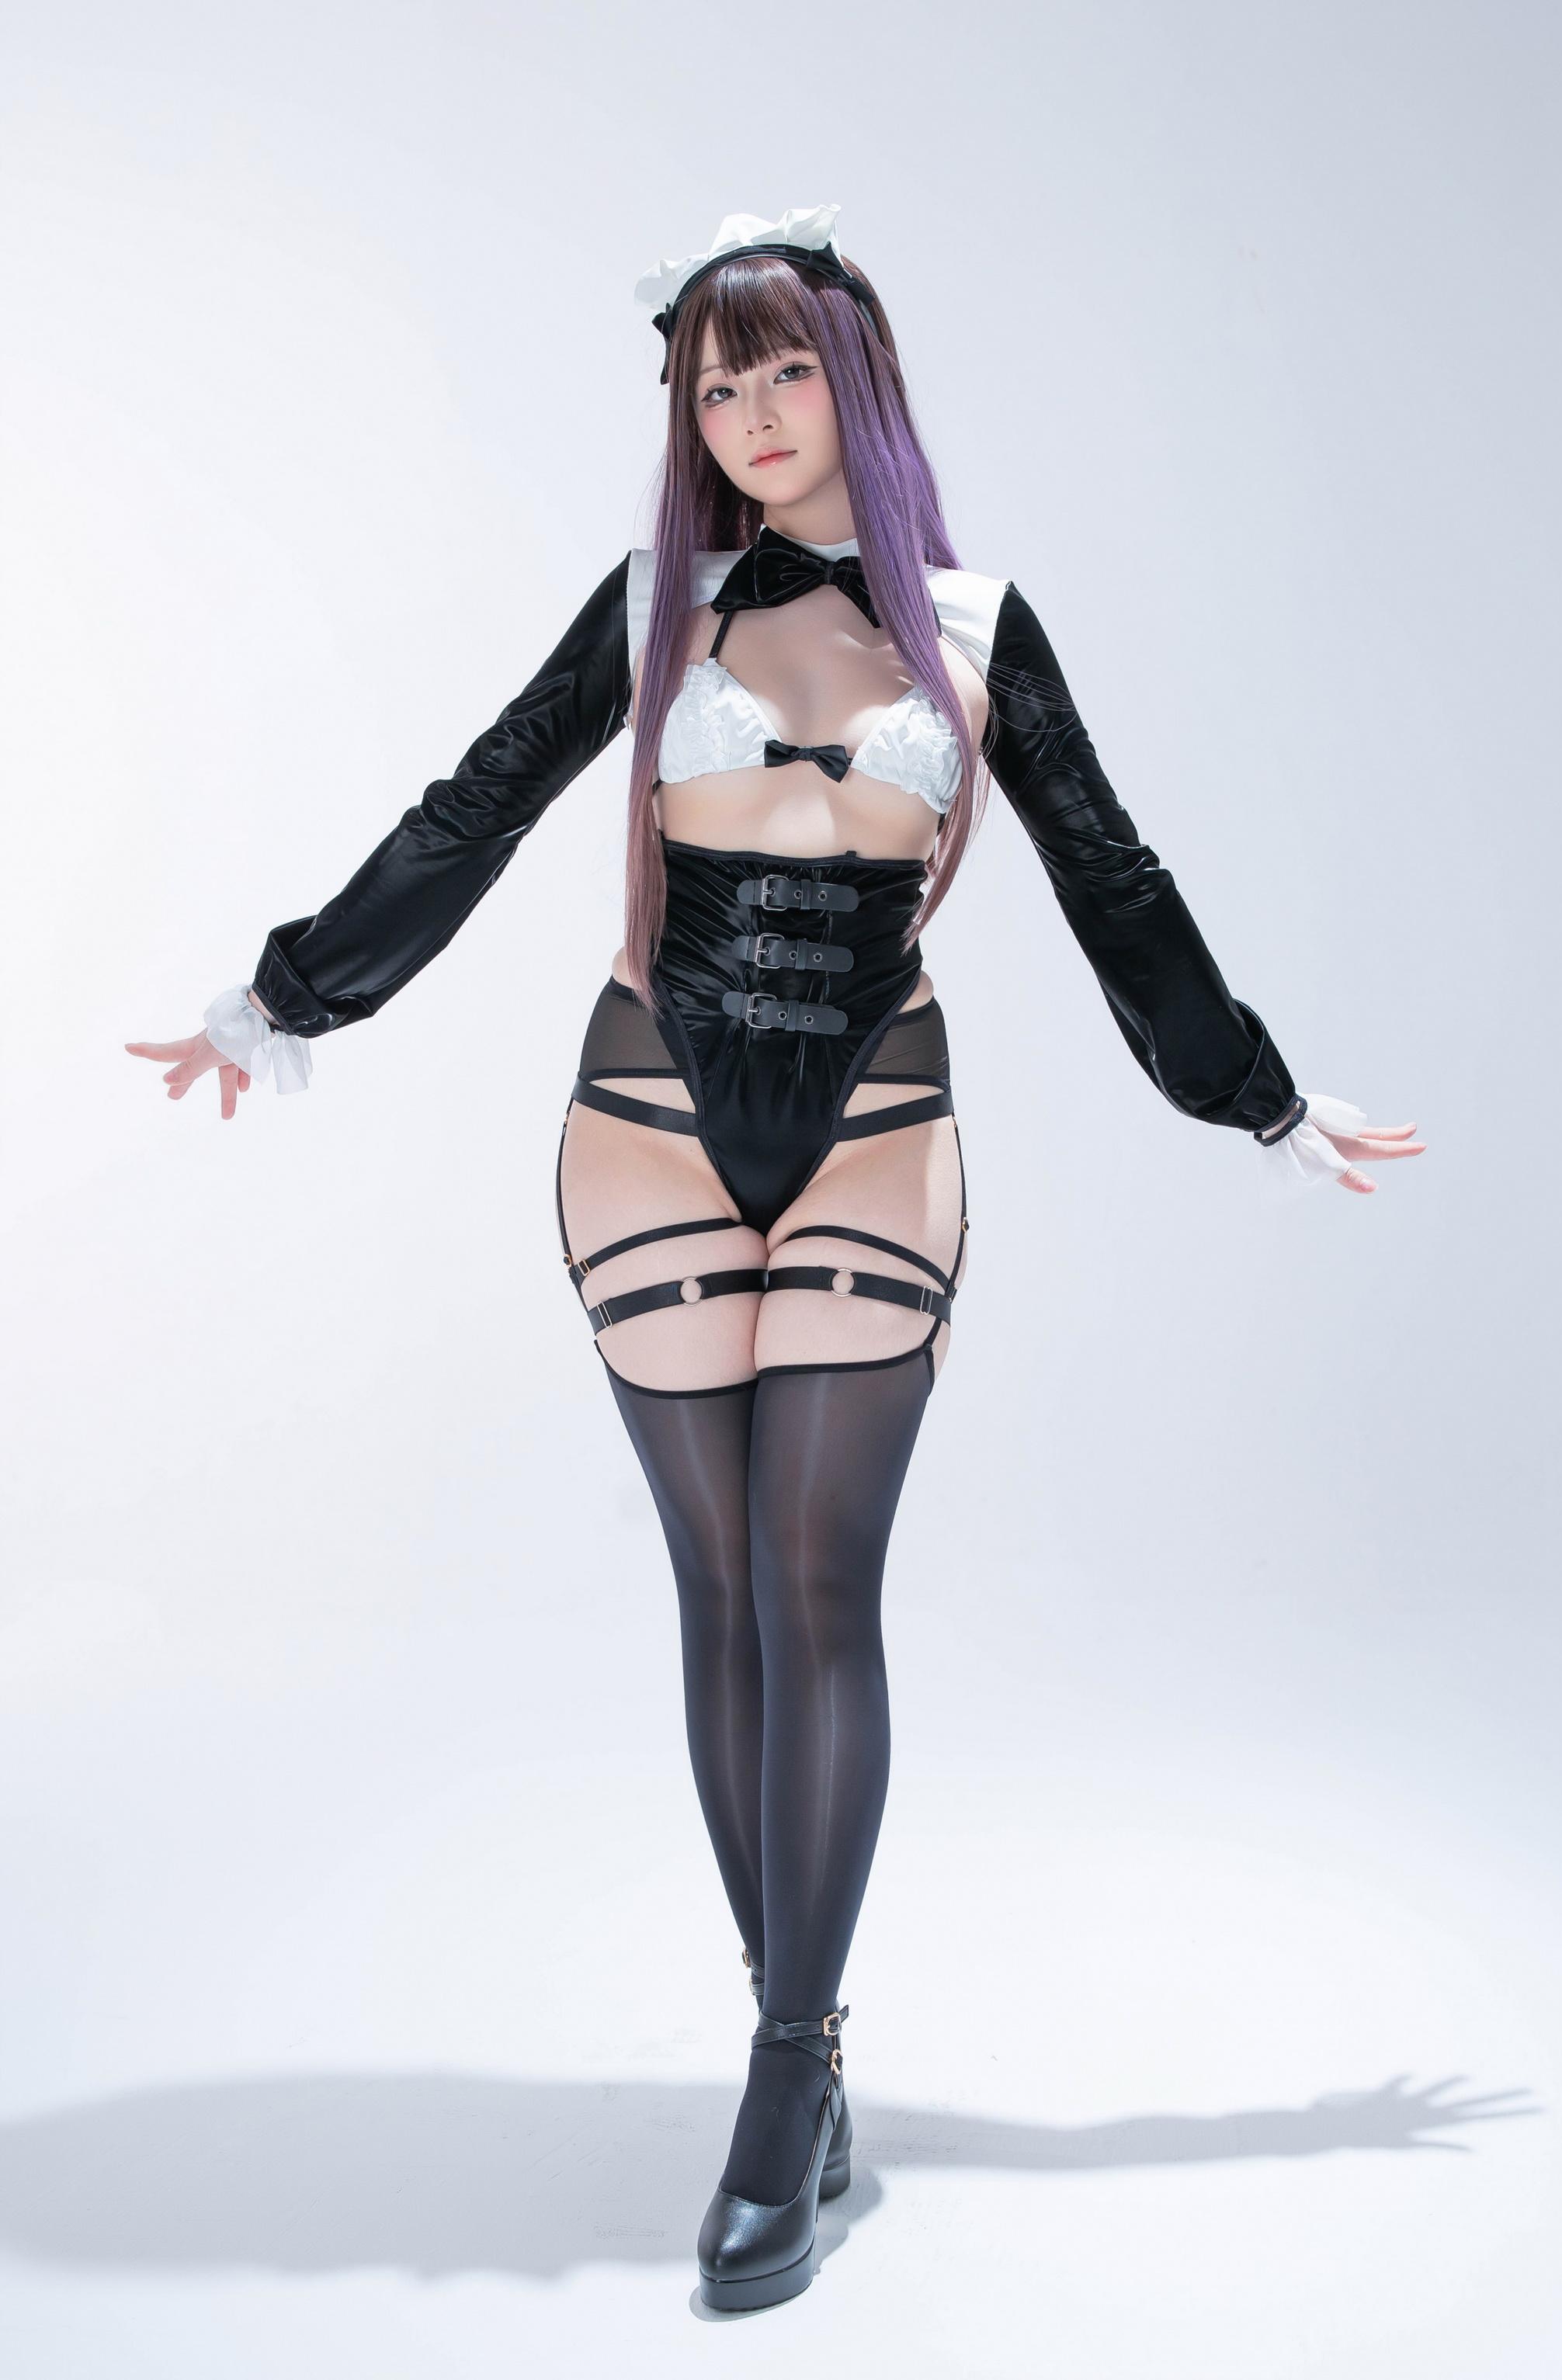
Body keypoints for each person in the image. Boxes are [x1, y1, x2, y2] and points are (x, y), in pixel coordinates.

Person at [126, 203, 1425, 2312]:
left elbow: (1111, 878)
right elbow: (475, 806)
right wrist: (287, 996)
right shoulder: (654, 606)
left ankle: (785, 2064)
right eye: (713, 385)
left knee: (821, 1585)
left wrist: (1260, 1097)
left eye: (783, 369)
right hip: (646, 1117)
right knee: (721, 1590)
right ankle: (796, 2041)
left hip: (875, 1126)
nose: (748, 415)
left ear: (857, 374)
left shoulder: (977, 625)